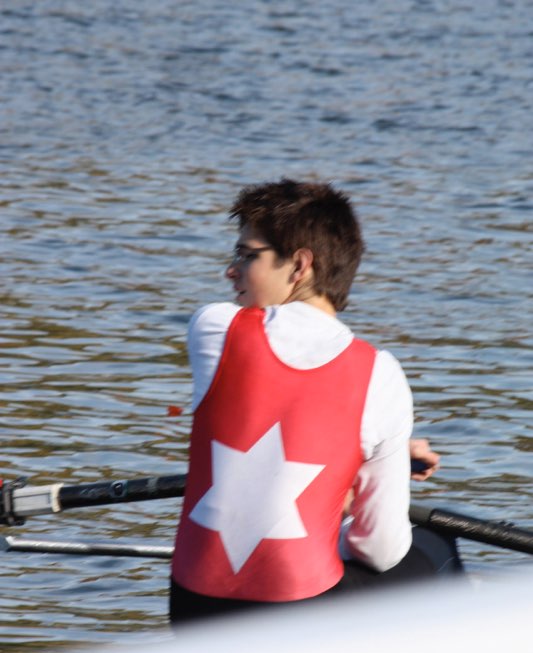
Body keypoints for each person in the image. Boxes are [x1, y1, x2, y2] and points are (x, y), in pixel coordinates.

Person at [170, 180, 444, 623]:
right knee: (435, 548)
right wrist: (366, 469)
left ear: (299, 265)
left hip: (193, 611)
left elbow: (272, 407)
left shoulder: (213, 327)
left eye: (247, 255)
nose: (230, 271)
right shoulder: (381, 375)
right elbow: (380, 550)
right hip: (296, 620)